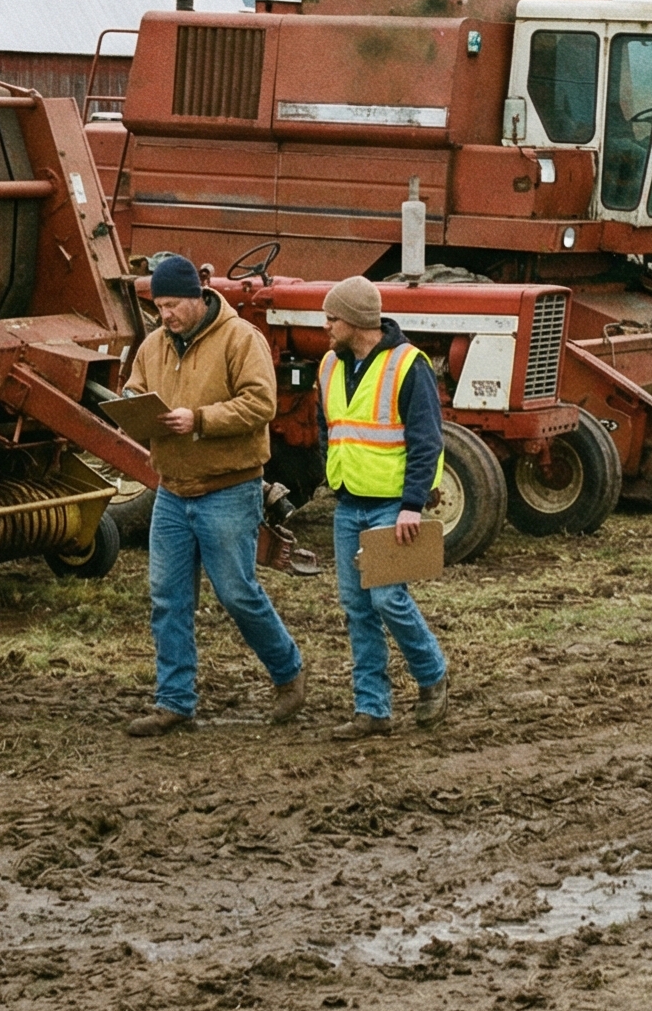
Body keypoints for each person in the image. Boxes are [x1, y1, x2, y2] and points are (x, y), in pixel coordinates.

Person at [123, 253, 301, 736]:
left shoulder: (242, 339)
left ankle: (288, 672)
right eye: (159, 306)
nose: (166, 315)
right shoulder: (153, 346)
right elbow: (135, 390)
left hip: (229, 487)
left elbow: (261, 404)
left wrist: (198, 420)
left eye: (174, 304)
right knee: (167, 598)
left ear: (199, 297)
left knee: (238, 593)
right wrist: (134, 411)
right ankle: (174, 701)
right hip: (172, 492)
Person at [317, 276, 450, 739]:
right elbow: (328, 429)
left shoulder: (409, 366)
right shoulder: (329, 366)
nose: (325, 326)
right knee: (358, 608)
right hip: (349, 502)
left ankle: (433, 675)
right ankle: (372, 711)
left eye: (332, 317)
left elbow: (427, 440)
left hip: (393, 506)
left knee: (386, 598)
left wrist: (412, 504)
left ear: (355, 321)